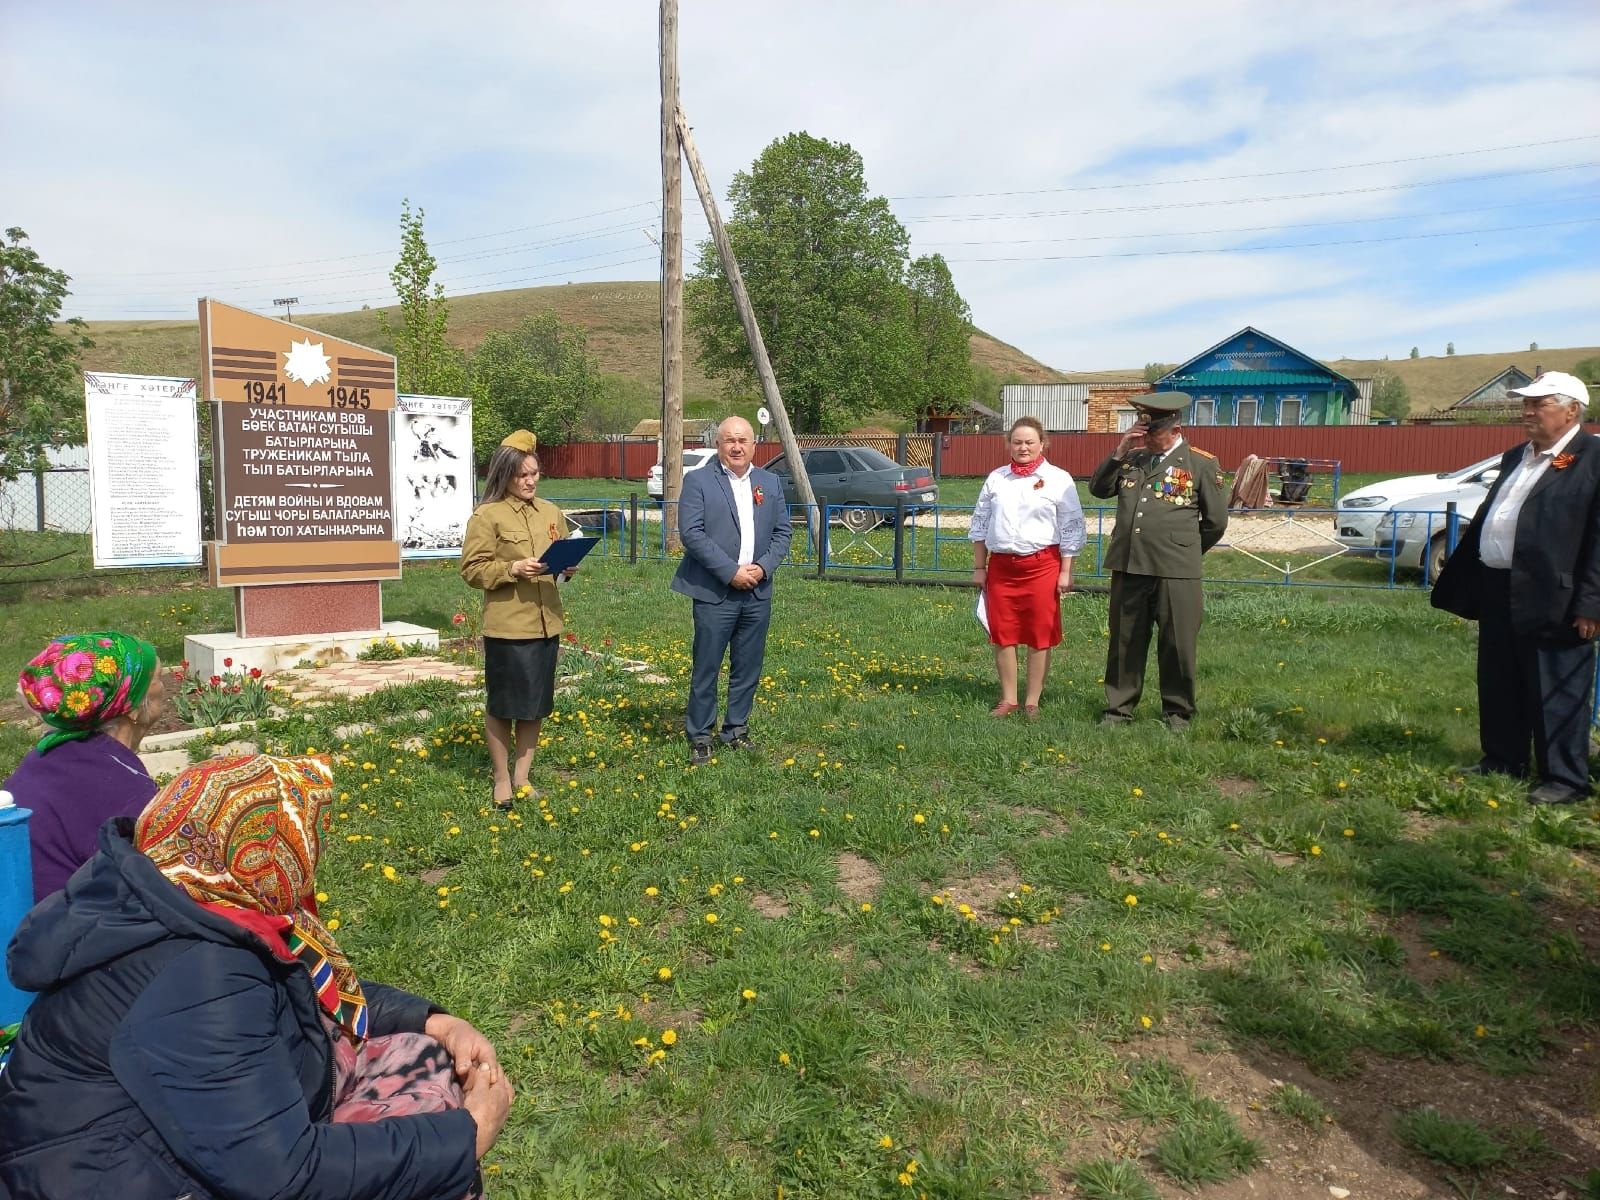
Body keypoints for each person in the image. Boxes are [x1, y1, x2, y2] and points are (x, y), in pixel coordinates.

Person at [0, 754, 512, 1199]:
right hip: (129, 1181)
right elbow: (282, 1176)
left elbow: (305, 986)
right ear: (266, 854)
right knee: (431, 1154)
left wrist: (435, 1022)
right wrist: (466, 1137)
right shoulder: (201, 973)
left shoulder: (178, 895)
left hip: (155, 1153)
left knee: (420, 1053)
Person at [1431, 371, 1600, 805]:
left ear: (1571, 411)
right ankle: (1503, 758)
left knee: (1555, 686)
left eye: (1538, 404)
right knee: (1499, 677)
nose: (1526, 411)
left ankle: (1565, 779)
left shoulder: (1592, 458)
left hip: (1557, 595)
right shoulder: (1516, 457)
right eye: (1525, 403)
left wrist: (1591, 604)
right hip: (1499, 586)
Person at [1088, 392, 1228, 730]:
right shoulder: (1133, 459)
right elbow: (1098, 489)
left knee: (1177, 643)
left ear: (1175, 428)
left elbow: (1216, 522)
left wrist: (1184, 550)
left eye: (1153, 434)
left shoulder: (1200, 464)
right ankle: (1119, 709)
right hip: (1130, 565)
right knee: (1125, 641)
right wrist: (1120, 451)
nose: (1147, 439)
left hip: (1176, 571)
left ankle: (1178, 712)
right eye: (1142, 432)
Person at [5, 631, 166, 901]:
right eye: (158, 679)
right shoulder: (128, 793)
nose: (165, 687)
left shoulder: (43, 759)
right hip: (67, 933)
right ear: (133, 707)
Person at [460, 436, 575, 808]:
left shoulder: (550, 512)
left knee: (535, 704)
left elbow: (559, 561)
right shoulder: (487, 516)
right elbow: (472, 569)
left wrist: (567, 567)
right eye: (522, 475)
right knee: (505, 703)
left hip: (546, 623)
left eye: (535, 473)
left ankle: (523, 775)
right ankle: (501, 777)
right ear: (505, 475)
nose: (530, 481)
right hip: (508, 626)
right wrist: (512, 568)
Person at [671, 416, 792, 765]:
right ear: (719, 445)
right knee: (706, 666)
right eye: (729, 440)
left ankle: (736, 730)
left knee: (748, 666)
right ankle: (700, 736)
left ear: (754, 445)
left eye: (743, 440)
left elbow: (783, 532)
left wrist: (764, 567)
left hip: (757, 591)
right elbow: (691, 533)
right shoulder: (698, 482)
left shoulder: (769, 482)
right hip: (715, 592)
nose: (736, 447)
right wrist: (730, 572)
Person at [969, 416, 1086, 718]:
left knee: (1039, 634)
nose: (1023, 448)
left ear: (1042, 443)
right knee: (1002, 633)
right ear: (1008, 444)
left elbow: (1071, 525)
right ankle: (1008, 699)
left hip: (1042, 566)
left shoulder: (1059, 479)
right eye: (1017, 442)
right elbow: (980, 523)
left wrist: (1066, 570)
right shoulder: (996, 479)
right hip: (1002, 569)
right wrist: (979, 567)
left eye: (1029, 442)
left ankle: (1032, 701)